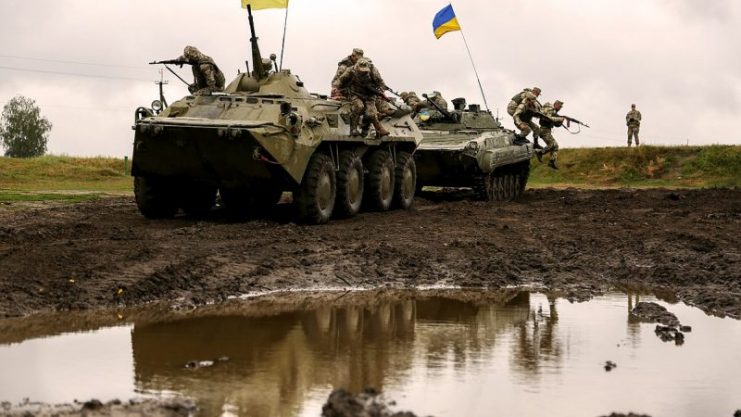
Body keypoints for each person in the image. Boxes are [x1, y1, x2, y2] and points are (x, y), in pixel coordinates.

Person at [337, 58, 390, 138]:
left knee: (371, 113)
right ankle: (353, 129)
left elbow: (379, 83)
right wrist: (344, 92)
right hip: (356, 93)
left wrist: (382, 93)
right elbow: (341, 82)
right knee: (359, 107)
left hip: (370, 95)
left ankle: (376, 130)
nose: (363, 72)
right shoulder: (351, 71)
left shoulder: (372, 72)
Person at [536, 100, 565, 170]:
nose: (560, 108)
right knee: (552, 144)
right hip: (544, 130)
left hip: (547, 131)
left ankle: (552, 161)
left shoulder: (553, 111)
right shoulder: (549, 108)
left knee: (555, 146)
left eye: (561, 107)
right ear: (556, 104)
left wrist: (559, 122)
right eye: (559, 106)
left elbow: (555, 123)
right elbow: (547, 118)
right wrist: (559, 119)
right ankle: (540, 152)